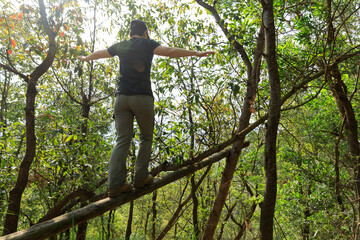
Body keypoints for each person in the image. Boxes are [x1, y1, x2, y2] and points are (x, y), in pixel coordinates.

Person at [77, 20, 214, 198]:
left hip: (121, 98)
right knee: (146, 137)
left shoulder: (121, 45)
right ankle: (140, 178)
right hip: (142, 97)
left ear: (129, 34)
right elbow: (170, 52)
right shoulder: (148, 43)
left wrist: (86, 58)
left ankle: (114, 185)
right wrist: (196, 53)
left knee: (122, 140)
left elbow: (100, 53)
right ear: (145, 33)